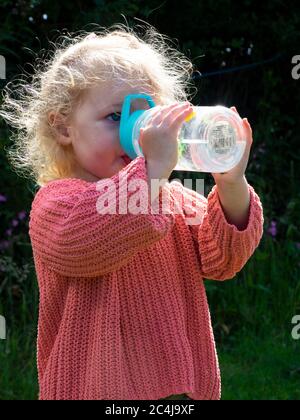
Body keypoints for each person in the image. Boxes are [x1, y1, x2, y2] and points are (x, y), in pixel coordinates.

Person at [0, 23, 264, 400]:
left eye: (148, 118)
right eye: (115, 118)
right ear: (63, 127)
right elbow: (87, 239)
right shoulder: (57, 204)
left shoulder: (169, 198)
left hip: (179, 393)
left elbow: (223, 257)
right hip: (96, 388)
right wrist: (153, 171)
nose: (138, 134)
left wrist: (231, 181)